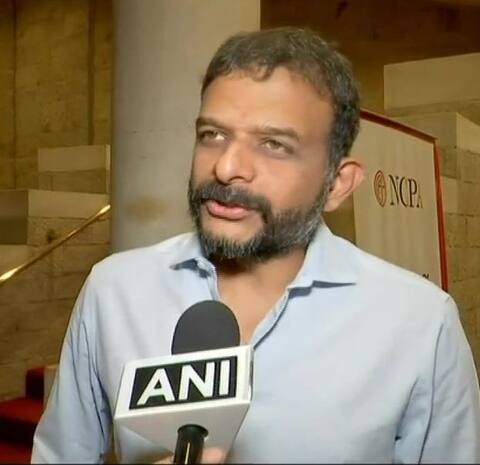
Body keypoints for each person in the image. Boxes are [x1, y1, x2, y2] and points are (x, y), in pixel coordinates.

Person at [32, 27, 480, 463]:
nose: (227, 167)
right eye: (213, 135)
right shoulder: (114, 291)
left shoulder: (420, 324)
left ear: (338, 184)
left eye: (273, 144)